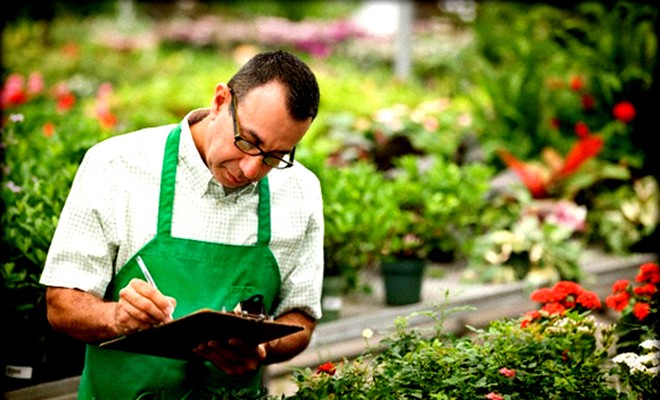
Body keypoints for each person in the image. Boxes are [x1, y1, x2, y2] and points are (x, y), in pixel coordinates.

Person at [39, 50, 324, 399]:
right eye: (249, 141)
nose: (251, 170)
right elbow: (61, 303)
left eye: (275, 156)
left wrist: (262, 350)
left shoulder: (300, 190)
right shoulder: (115, 165)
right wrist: (118, 317)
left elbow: (301, 319)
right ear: (221, 101)